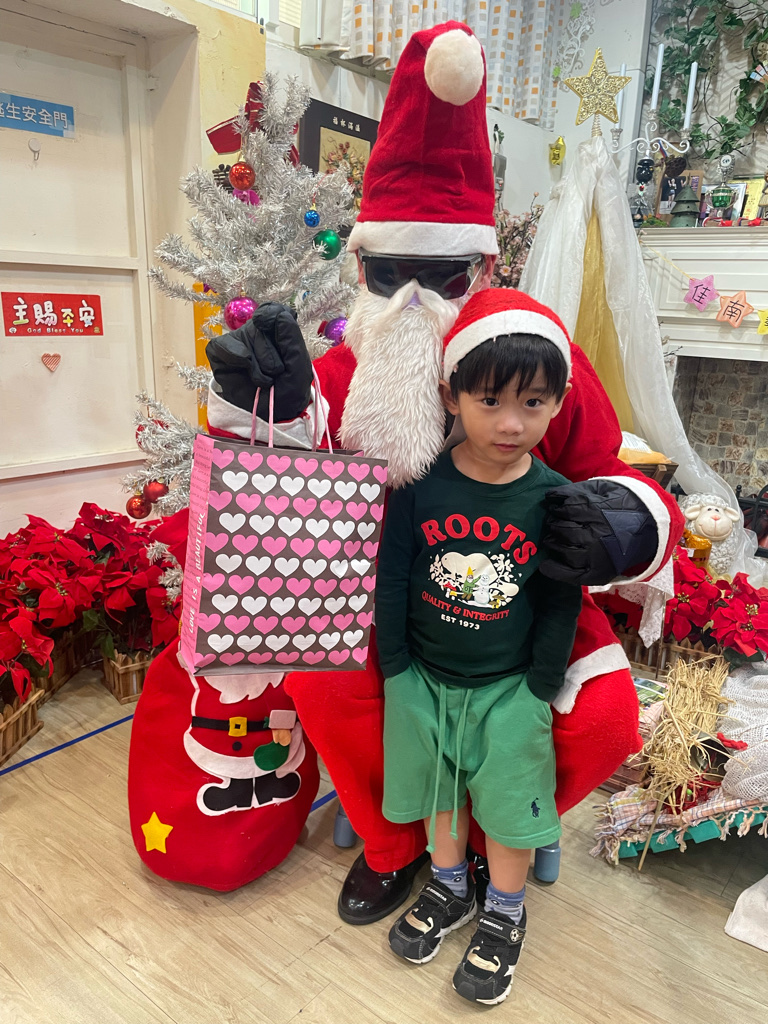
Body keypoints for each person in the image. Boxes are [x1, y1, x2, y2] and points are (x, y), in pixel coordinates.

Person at [129, 20, 684, 903]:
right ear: (360, 266)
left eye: (445, 275)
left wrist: (619, 525)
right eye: (392, 274)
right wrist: (257, 403)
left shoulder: (540, 364)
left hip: (520, 598)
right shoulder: (345, 369)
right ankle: (394, 844)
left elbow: (614, 469)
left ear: (485, 266)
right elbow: (275, 489)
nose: (417, 299)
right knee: (324, 689)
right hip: (376, 602)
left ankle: (502, 825)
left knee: (608, 715)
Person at [376, 288, 582, 1005]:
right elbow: (392, 577)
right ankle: (449, 885)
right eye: (490, 401)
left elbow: (560, 599)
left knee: (508, 800)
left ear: (557, 404)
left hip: (509, 686)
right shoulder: (419, 486)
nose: (511, 422)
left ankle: (505, 911)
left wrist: (539, 687)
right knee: (439, 790)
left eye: (533, 403)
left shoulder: (555, 499)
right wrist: (396, 668)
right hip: (424, 677)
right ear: (451, 396)